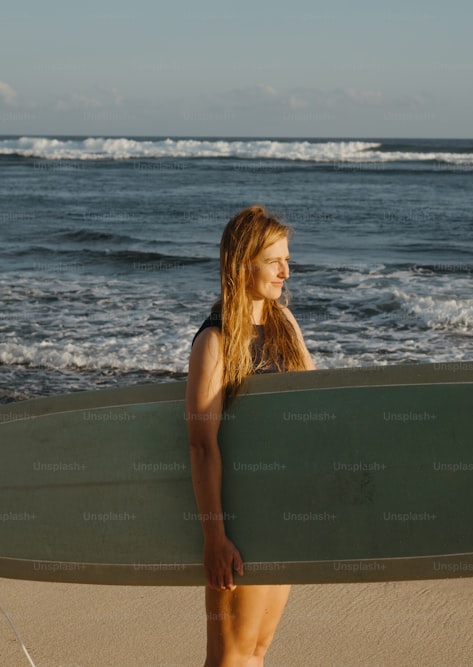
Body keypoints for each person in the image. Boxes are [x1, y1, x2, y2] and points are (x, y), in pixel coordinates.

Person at [186, 205, 315, 666]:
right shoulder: (216, 341)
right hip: (239, 524)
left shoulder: (285, 325)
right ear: (244, 265)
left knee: (256, 651)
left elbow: (316, 404)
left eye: (287, 258)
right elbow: (202, 446)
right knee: (230, 658)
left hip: (280, 514)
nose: (286, 270)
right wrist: (215, 539)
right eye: (274, 260)